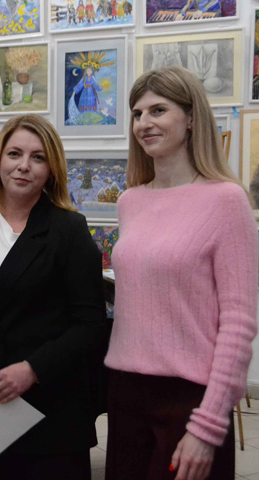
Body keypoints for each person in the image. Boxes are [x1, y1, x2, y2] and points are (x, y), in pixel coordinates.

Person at [104, 65, 258, 480]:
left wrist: (209, 424)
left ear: (191, 119)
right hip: (126, 391)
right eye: (137, 114)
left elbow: (239, 323)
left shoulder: (226, 201)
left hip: (190, 399)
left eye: (158, 110)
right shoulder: (130, 201)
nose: (144, 123)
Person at [0, 114, 106, 479]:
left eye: (38, 157)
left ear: (51, 169)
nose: (23, 166)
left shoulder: (69, 230)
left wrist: (33, 369)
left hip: (51, 413)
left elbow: (90, 325)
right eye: (14, 153)